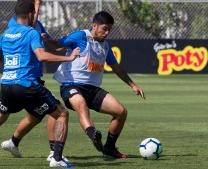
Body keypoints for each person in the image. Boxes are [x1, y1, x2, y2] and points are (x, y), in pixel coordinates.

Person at [0, 0, 80, 168]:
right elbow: (42, 56)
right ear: (31, 14)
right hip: (26, 84)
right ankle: (57, 158)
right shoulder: (31, 32)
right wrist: (69, 58)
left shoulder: (5, 34)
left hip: (7, 85)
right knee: (61, 114)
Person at [51, 11, 146, 158]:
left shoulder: (105, 46)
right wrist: (43, 39)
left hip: (93, 89)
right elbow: (57, 45)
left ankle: (109, 147)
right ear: (94, 26)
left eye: (109, 29)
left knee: (121, 112)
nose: (107, 33)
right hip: (71, 85)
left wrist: (133, 85)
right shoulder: (80, 36)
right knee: (81, 105)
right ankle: (92, 134)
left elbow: (116, 68)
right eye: (104, 29)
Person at [0, 0, 68, 162]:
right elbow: (29, 28)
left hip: (33, 76)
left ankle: (13, 142)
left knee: (36, 115)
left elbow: (44, 39)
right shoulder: (15, 22)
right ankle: (55, 154)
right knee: (57, 111)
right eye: (34, 1)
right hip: (26, 78)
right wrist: (37, 1)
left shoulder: (36, 23)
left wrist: (61, 43)